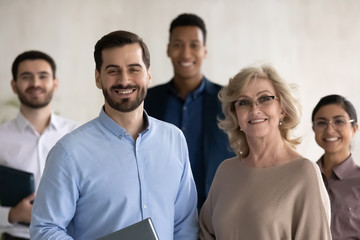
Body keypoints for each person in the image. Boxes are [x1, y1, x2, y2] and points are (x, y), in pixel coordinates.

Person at [29, 30, 198, 240]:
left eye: (134, 69)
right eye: (113, 71)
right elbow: (44, 229)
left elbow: (185, 224)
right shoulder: (69, 152)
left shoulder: (175, 140)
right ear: (98, 78)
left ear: (148, 74)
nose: (124, 80)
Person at [198, 64, 332, 239]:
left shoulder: (304, 173)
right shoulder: (226, 171)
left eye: (264, 99)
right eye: (244, 102)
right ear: (236, 115)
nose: (254, 109)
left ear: (282, 109)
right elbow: (205, 233)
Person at [144, 13, 234, 210]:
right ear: (168, 50)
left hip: (215, 212)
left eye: (194, 45)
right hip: (160, 210)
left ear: (204, 51)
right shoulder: (147, 100)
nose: (185, 54)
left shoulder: (229, 100)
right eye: (177, 45)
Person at [0, 51, 78, 240]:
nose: (35, 84)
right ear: (14, 85)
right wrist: (12, 214)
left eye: (43, 76)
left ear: (55, 83)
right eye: (26, 77)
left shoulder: (77, 134)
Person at [312, 94, 359, 239]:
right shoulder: (304, 176)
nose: (330, 130)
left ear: (354, 128)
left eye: (339, 121)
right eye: (321, 122)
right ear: (313, 128)